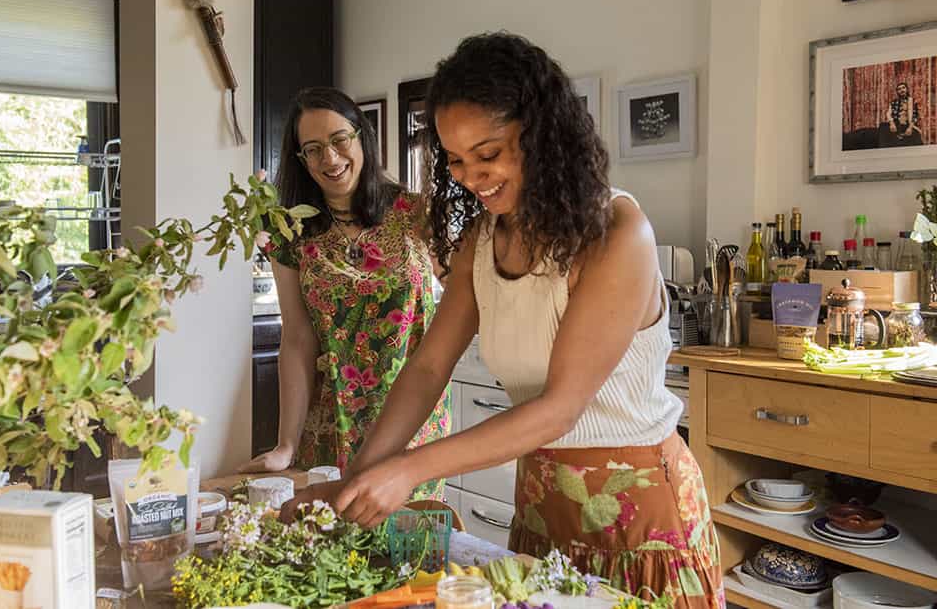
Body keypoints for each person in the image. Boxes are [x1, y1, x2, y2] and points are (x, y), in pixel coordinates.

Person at [285, 34, 724, 607]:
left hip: (643, 520)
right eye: (456, 160)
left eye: (488, 154)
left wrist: (406, 470)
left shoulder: (617, 234)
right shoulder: (484, 239)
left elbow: (559, 408)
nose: (471, 176)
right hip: (542, 507)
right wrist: (358, 478)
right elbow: (427, 367)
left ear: (543, 137)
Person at [238, 87, 450, 500]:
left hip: (414, 424)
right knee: (333, 550)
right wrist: (286, 445)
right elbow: (297, 339)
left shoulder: (417, 212)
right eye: (313, 149)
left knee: (413, 552)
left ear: (361, 136)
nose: (330, 159)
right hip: (330, 425)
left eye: (339, 140)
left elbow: (466, 292)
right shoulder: (290, 233)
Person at [880, 81, 923, 147]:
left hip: (907, 125)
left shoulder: (912, 101)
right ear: (897, 92)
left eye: (903, 88)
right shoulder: (894, 102)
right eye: (899, 89)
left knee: (916, 137)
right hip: (896, 124)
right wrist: (891, 123)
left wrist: (910, 128)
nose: (901, 90)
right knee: (882, 127)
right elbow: (888, 113)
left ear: (907, 89)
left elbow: (915, 116)